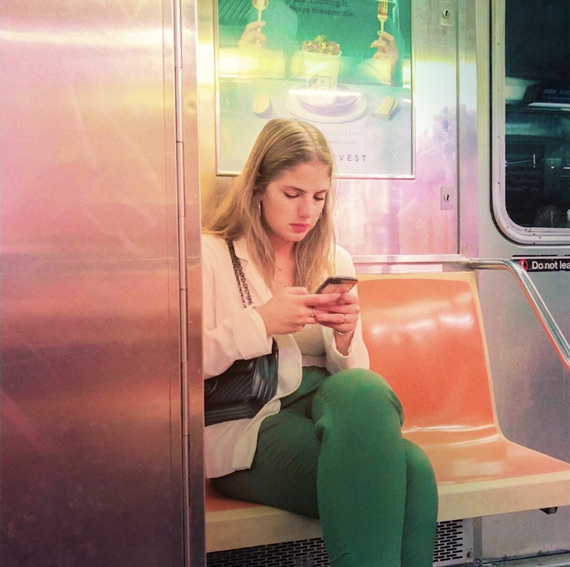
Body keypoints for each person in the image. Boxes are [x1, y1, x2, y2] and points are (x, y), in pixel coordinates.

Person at [202, 118, 438, 567]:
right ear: (257, 188)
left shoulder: (333, 257)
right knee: (411, 472)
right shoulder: (213, 254)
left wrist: (347, 335)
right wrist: (262, 322)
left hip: (326, 406)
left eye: (318, 197)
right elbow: (181, 366)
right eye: (291, 194)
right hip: (250, 423)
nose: (306, 211)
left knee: (364, 388)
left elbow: (352, 378)